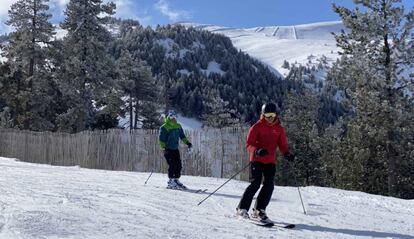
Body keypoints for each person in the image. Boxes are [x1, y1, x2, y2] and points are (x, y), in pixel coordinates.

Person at [236, 102, 295, 224]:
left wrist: (287, 154)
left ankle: (259, 210)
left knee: (269, 185)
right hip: (256, 160)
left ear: (276, 115)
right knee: (255, 184)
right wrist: (257, 151)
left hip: (270, 161)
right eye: (267, 115)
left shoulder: (279, 129)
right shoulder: (256, 127)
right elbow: (249, 144)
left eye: (272, 115)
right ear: (263, 114)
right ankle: (242, 208)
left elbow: (282, 145)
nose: (270, 117)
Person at [159, 110, 192, 189]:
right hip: (168, 149)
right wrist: (163, 148)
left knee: (179, 165)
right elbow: (161, 139)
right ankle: (171, 181)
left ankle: (176, 180)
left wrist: (188, 143)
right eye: (172, 117)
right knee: (172, 165)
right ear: (169, 118)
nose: (174, 119)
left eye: (175, 117)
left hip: (175, 149)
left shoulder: (178, 126)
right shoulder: (164, 127)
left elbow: (182, 136)